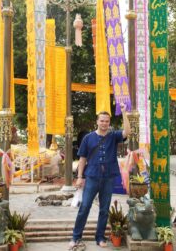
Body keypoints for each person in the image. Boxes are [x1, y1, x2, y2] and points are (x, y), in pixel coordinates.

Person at [69, 103, 131, 249]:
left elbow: (127, 131)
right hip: (91, 177)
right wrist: (79, 177)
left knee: (104, 209)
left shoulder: (113, 136)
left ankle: (100, 237)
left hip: (108, 177)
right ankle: (76, 237)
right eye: (102, 120)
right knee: (84, 207)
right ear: (97, 121)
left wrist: (123, 112)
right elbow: (82, 159)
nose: (104, 123)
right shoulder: (88, 138)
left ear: (109, 123)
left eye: (107, 121)